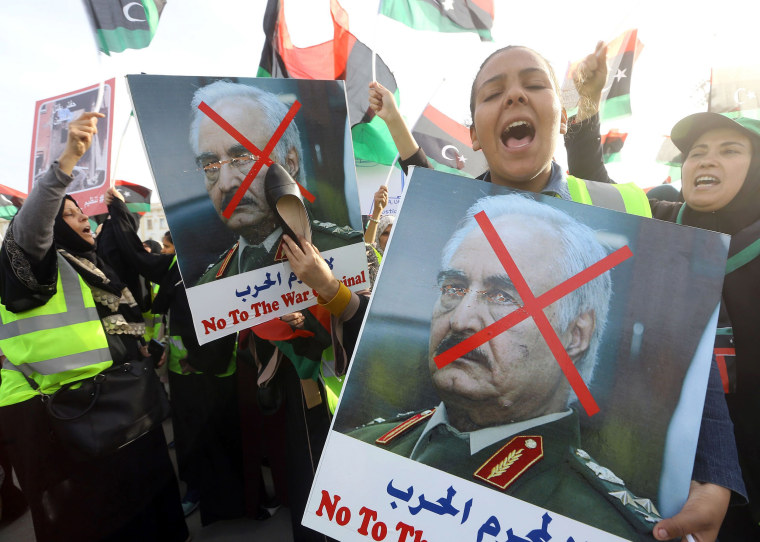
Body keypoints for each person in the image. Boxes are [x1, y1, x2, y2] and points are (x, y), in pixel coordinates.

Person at [369, 44, 745, 541]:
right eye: (494, 92)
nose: (514, 97)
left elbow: (690, 344)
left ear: (562, 119)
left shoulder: (631, 207)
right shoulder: (432, 212)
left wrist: (717, 473)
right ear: (475, 134)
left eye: (535, 84)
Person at [564, 42, 760, 540]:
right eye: (696, 152)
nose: (705, 160)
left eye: (730, 150)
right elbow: (595, 188)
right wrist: (587, 109)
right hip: (661, 479)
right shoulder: (660, 221)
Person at [0, 112, 188, 541]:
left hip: (124, 402)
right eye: (68, 214)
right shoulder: (36, 267)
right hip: (80, 415)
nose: (83, 216)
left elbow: (115, 322)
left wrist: (143, 348)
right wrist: (65, 164)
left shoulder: (90, 266)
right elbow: (30, 229)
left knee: (153, 503)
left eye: (80, 209)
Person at [189, 81, 360, 284]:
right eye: (210, 166)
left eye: (243, 159)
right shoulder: (209, 285)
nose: (225, 184)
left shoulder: (346, 251)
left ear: (290, 163)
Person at [363, 185, 394, 261]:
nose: (390, 238)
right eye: (385, 234)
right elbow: (367, 250)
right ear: (377, 238)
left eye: (394, 233)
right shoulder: (373, 262)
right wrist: (377, 210)